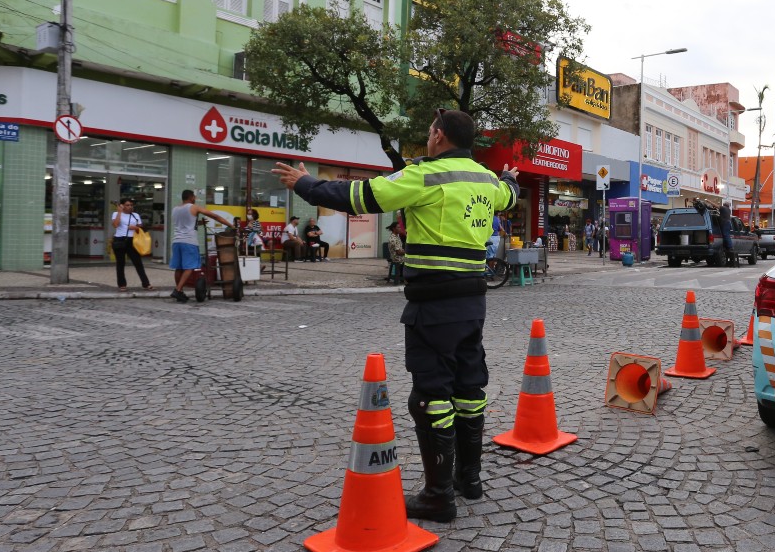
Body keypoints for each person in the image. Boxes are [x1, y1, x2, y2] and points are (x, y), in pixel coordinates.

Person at [272, 108, 519, 523]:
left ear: (439, 136)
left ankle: (439, 496)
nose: (427, 137)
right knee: (469, 385)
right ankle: (468, 480)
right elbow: (511, 194)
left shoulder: (425, 177)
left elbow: (359, 197)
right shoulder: (487, 181)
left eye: (428, 131)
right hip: (473, 303)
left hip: (433, 303)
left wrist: (306, 185)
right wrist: (509, 176)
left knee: (431, 395)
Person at [169, 190, 232, 303]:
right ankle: (178, 290)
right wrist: (231, 225)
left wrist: (200, 223)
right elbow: (215, 216)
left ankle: (180, 291)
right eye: (194, 197)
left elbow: (185, 224)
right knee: (189, 267)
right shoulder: (194, 207)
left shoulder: (175, 209)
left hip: (176, 241)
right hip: (189, 241)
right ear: (191, 197)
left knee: (178, 267)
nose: (195, 199)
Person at [111, 198, 153, 292]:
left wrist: (135, 228)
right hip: (120, 239)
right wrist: (119, 212)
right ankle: (122, 284)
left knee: (138, 262)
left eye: (131, 205)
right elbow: (115, 225)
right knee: (120, 263)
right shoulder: (116, 214)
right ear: (122, 205)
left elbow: (141, 227)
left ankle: (146, 283)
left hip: (132, 240)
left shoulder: (135, 215)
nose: (130, 207)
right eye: (127, 205)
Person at [386, 218, 406, 285]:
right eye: (398, 227)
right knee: (414, 260)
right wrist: (408, 252)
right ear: (394, 229)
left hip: (399, 256)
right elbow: (398, 252)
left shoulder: (397, 236)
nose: (400, 228)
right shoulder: (393, 239)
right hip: (397, 258)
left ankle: (403, 276)